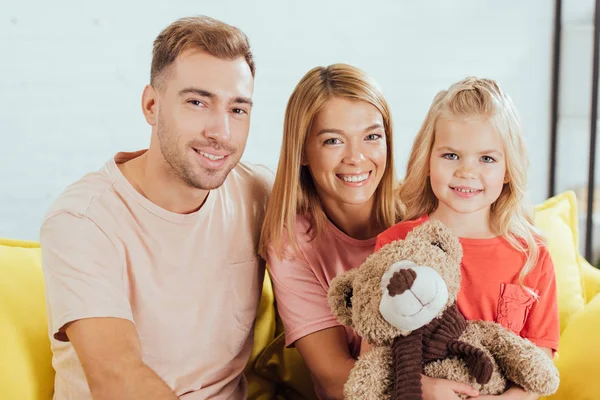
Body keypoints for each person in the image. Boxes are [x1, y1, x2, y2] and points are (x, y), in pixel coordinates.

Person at [40, 16, 273, 400]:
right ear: (151, 105)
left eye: (237, 109)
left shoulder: (257, 193)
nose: (221, 133)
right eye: (197, 102)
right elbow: (117, 376)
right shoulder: (83, 220)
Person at [376, 76, 559, 400]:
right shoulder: (396, 244)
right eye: (451, 155)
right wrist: (424, 387)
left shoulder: (532, 254)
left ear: (507, 170)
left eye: (486, 159)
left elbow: (541, 357)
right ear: (428, 159)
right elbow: (373, 348)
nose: (466, 172)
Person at [258, 63, 407, 400]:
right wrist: (425, 389)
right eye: (333, 141)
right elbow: (334, 381)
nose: (356, 157)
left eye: (371, 137)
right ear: (303, 152)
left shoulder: (421, 215)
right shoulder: (292, 244)